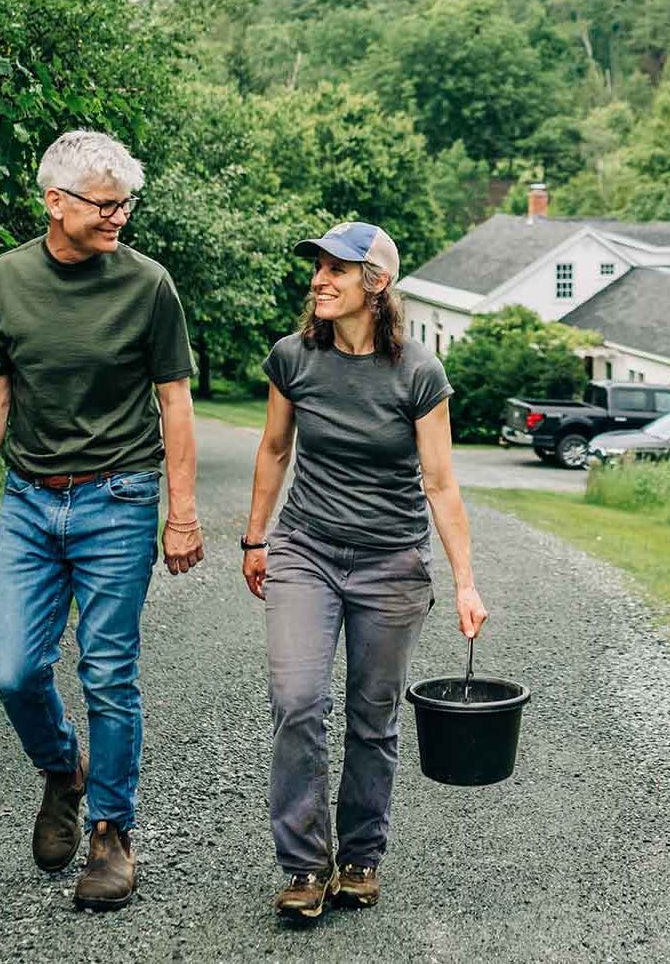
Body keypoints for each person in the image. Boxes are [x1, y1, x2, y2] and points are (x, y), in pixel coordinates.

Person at [0, 129, 204, 912]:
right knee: (15, 670)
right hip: (31, 500)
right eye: (105, 203)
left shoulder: (149, 285)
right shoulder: (7, 278)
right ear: (54, 202)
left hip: (120, 498)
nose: (120, 216)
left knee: (108, 671)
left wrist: (183, 515)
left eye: (126, 202)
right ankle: (62, 769)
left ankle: (111, 832)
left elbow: (175, 401)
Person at [242, 220, 488, 920]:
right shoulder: (293, 357)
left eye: (335, 269)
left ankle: (359, 855)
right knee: (297, 701)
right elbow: (272, 449)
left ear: (374, 284)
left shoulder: (417, 371)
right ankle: (301, 862)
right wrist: (254, 538)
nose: (318, 279)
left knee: (373, 715)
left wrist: (465, 579)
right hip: (306, 549)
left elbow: (440, 483)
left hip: (392, 563)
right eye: (316, 268)